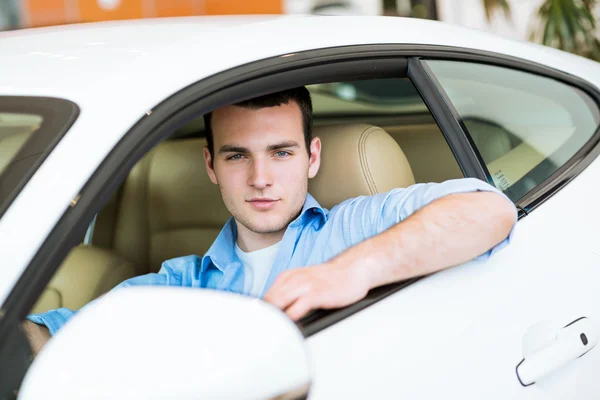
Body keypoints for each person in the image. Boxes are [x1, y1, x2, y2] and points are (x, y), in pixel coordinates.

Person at [23, 87, 517, 355]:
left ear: (312, 157)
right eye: (238, 157)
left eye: (281, 153)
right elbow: (53, 338)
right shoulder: (180, 282)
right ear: (212, 166)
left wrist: (350, 272)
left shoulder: (355, 227)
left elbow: (487, 210)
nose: (261, 178)